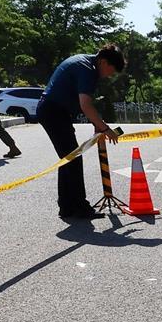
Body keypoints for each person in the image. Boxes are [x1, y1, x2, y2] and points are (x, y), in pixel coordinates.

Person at [37, 43, 124, 219]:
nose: (110, 75)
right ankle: (79, 207)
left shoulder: (86, 63)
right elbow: (85, 104)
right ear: (104, 62)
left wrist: (98, 124)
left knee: (68, 158)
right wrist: (105, 128)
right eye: (111, 70)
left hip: (56, 111)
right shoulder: (88, 69)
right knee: (73, 158)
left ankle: (67, 206)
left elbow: (86, 103)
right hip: (53, 112)